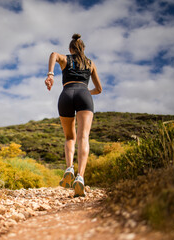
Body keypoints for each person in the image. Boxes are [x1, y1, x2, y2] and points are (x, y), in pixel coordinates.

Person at [45, 33, 102, 197]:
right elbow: (99, 89)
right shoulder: (90, 64)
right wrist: (85, 92)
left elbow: (53, 54)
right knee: (84, 137)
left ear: (71, 49)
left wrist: (50, 74)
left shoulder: (66, 59)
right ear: (83, 49)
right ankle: (80, 177)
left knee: (70, 137)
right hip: (84, 95)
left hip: (66, 94)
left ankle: (69, 168)